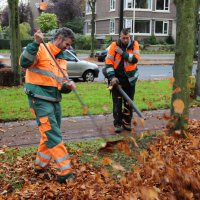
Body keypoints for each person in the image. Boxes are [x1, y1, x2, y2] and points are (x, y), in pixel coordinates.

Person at [20, 27, 76, 183]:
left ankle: (40, 166)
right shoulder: (40, 49)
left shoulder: (62, 58)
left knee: (48, 134)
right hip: (39, 99)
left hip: (54, 100)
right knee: (53, 134)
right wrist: (35, 43)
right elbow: (24, 62)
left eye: (69, 45)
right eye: (67, 43)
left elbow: (61, 84)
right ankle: (66, 172)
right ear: (59, 38)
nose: (68, 47)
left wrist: (68, 86)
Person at [105, 28, 140, 133]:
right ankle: (118, 124)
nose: (125, 40)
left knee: (129, 103)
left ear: (129, 36)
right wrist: (112, 77)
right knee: (117, 103)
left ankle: (127, 123)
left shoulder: (134, 44)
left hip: (130, 81)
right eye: (124, 38)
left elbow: (135, 59)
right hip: (117, 80)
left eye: (127, 38)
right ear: (120, 37)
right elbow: (108, 62)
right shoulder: (114, 45)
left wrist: (122, 53)